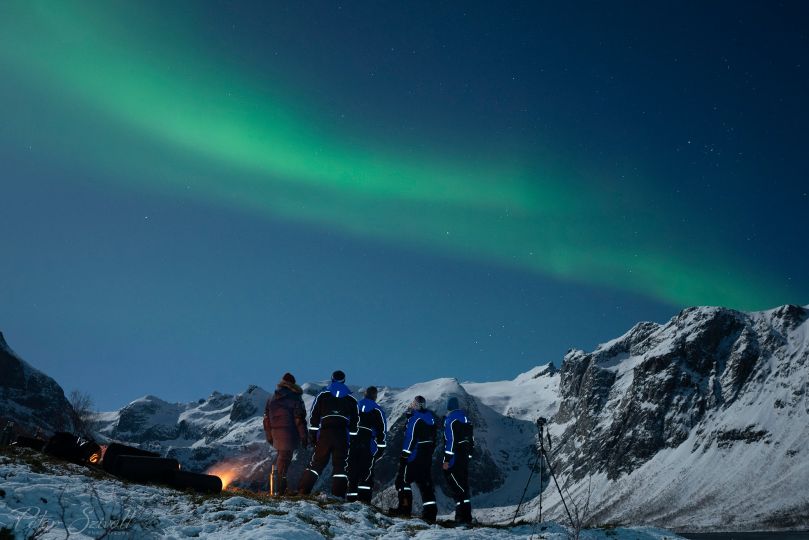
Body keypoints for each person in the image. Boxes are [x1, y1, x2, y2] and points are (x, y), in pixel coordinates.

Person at [298, 370, 359, 498]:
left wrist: (313, 436)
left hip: (325, 433)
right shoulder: (351, 400)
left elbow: (314, 417)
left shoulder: (322, 396)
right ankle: (338, 495)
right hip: (342, 435)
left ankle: (303, 491)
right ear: (344, 381)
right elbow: (355, 423)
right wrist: (352, 440)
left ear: (332, 379)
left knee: (317, 464)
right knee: (340, 467)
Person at [390, 395, 438, 523]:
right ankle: (430, 514)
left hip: (413, 456)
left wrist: (405, 455)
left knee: (403, 482)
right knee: (425, 485)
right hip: (426, 457)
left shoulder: (415, 419)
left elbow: (410, 439)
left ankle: (404, 509)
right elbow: (434, 440)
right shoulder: (431, 419)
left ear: (415, 405)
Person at [263, 372, 308, 496]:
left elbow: (266, 419)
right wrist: (304, 436)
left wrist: (269, 435)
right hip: (289, 433)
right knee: (284, 460)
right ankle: (278, 491)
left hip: (275, 434)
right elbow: (299, 419)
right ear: (293, 384)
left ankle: (278, 489)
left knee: (281, 459)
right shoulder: (295, 397)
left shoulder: (271, 398)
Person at [346, 386, 387, 502]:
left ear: (364, 394)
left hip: (353, 442)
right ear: (375, 396)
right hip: (368, 442)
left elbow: (347, 423)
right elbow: (382, 430)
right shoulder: (377, 409)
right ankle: (364, 500)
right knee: (366, 472)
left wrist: (348, 440)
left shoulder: (355, 405)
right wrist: (381, 448)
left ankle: (351, 499)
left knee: (352, 471)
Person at [442, 396, 474, 523]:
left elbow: (450, 441)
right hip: (464, 457)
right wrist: (469, 456)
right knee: (464, 486)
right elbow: (472, 440)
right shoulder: (466, 419)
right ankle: (466, 517)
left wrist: (447, 460)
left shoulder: (450, 420)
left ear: (448, 406)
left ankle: (461, 517)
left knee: (456, 486)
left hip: (454, 457)